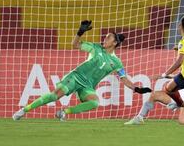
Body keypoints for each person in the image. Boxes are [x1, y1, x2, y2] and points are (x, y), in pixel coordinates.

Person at [13, 20, 152, 121]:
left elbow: (124, 79)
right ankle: (23, 110)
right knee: (55, 96)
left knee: (95, 102)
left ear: (115, 43)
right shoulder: (95, 47)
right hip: (75, 77)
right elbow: (74, 44)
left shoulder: (116, 62)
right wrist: (80, 32)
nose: (105, 38)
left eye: (108, 37)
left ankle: (64, 112)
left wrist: (137, 89)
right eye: (105, 37)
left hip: (88, 86)